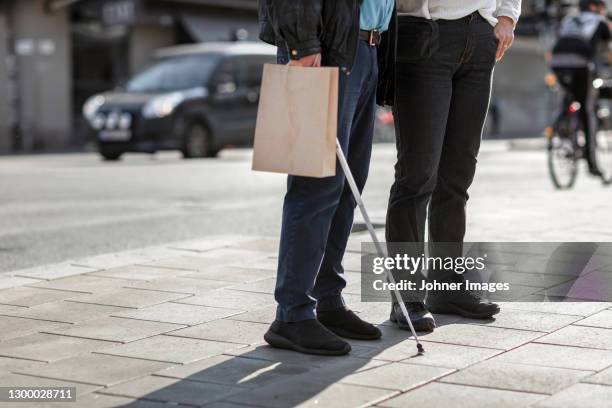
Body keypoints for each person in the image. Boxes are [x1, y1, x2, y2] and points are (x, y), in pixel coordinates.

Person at [258, 0, 395, 355]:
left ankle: (327, 300)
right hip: (326, 49)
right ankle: (292, 314)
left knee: (348, 186)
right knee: (316, 185)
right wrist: (301, 44)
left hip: (366, 49)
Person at [383, 0, 521, 332]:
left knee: (457, 176)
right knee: (417, 177)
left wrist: (506, 16)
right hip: (424, 34)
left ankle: (447, 285)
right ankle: (407, 295)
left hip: (480, 35)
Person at [550, 0, 611, 176]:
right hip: (581, 63)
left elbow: (559, 38)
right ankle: (592, 164)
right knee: (587, 109)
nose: (602, 11)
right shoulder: (599, 21)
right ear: (594, 7)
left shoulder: (568, 20)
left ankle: (563, 129)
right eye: (601, 7)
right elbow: (607, 49)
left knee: (569, 97)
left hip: (558, 62)